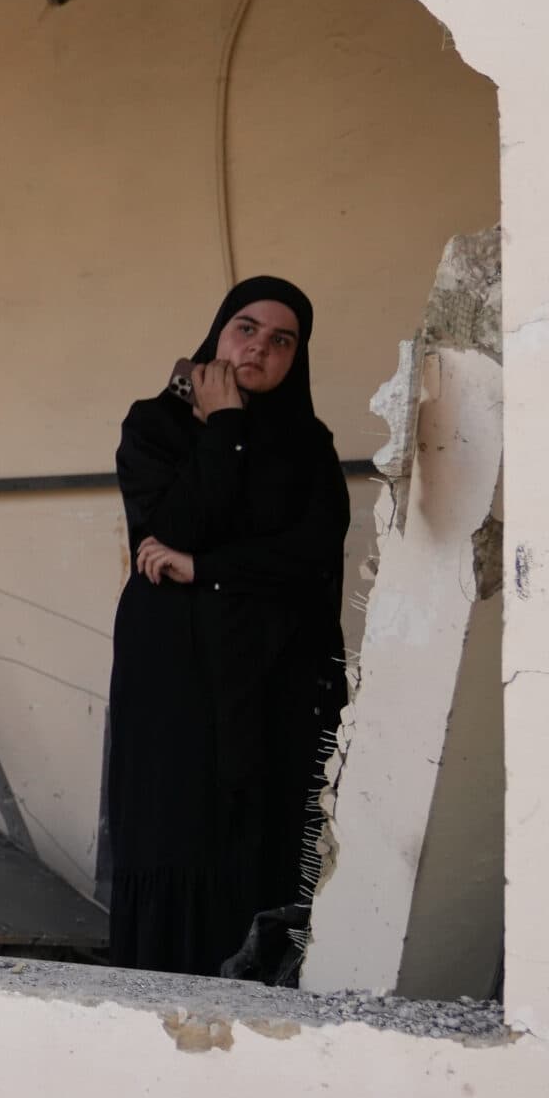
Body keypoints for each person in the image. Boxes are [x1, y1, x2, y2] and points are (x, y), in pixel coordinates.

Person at [102, 277, 349, 979]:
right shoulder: (154, 426)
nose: (259, 348)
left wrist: (206, 569)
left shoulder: (308, 448)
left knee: (263, 831)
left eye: (281, 339)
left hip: (276, 672)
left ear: (296, 357)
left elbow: (307, 562)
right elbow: (169, 532)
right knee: (177, 830)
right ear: (217, 333)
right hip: (175, 673)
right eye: (246, 328)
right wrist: (227, 426)